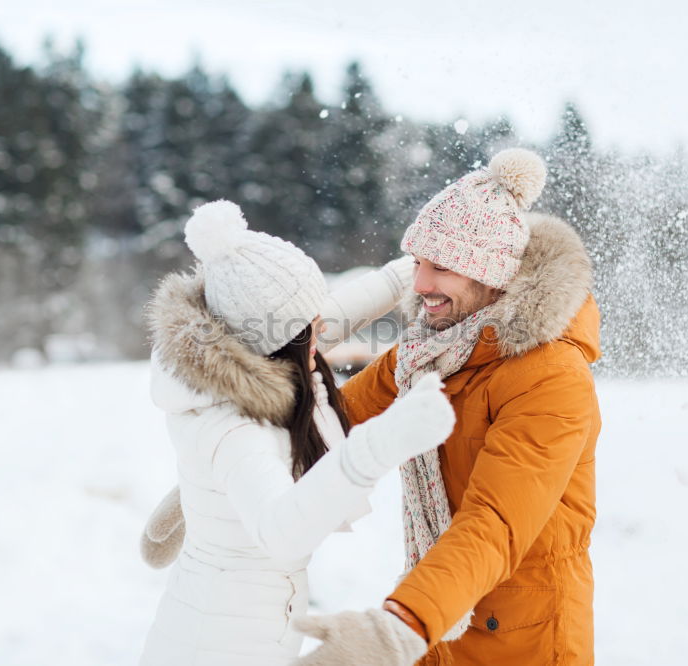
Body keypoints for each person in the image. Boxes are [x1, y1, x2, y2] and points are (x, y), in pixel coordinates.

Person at [144, 147, 602, 665]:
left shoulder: (551, 376)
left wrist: (398, 626)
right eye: (418, 264)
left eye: (442, 267)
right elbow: (332, 418)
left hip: (522, 637)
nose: (422, 284)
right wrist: (211, 480)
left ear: (492, 274)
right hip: (436, 618)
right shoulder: (432, 350)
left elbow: (494, 525)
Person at [138, 200, 456, 666]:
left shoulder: (250, 355)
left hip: (224, 627)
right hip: (220, 649)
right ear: (277, 342)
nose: (323, 330)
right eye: (311, 327)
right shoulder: (237, 429)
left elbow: (337, 311)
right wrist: (381, 444)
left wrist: (413, 269)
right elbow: (282, 534)